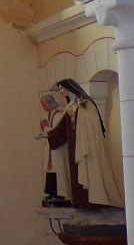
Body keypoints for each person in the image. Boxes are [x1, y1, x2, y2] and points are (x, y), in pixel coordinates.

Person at [41, 78, 123, 210]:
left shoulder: (85, 104)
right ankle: (80, 202)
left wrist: (78, 112)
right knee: (76, 173)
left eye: (62, 88)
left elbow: (92, 122)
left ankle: (95, 201)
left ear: (70, 88)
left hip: (86, 145)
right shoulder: (71, 105)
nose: (61, 91)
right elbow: (62, 128)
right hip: (75, 145)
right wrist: (48, 134)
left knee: (89, 170)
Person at [38, 92, 69, 206]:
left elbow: (58, 133)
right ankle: (51, 192)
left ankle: (57, 192)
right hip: (52, 148)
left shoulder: (58, 116)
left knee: (57, 170)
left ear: (50, 104)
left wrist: (45, 127)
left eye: (44, 105)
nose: (43, 108)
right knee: (51, 171)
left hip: (57, 150)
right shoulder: (51, 115)